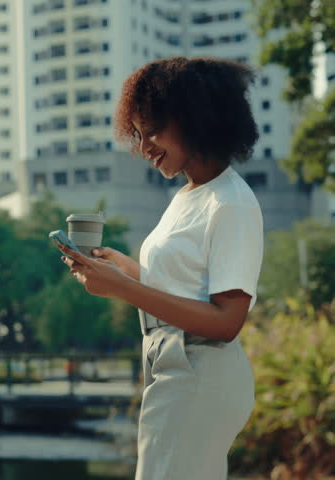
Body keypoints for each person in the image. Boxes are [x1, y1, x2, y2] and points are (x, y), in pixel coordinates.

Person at [57, 57, 263, 479]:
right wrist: (125, 272)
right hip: (173, 364)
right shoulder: (189, 196)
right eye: (137, 134)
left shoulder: (232, 203)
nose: (143, 146)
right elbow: (184, 289)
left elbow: (227, 321)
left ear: (194, 119)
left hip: (199, 369)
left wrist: (124, 289)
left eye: (152, 130)